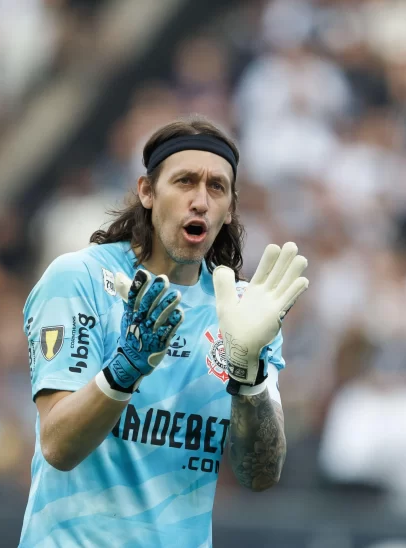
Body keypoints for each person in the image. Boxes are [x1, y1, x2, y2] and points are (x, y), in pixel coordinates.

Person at [19, 115, 309, 547]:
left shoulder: (245, 312)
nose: (200, 201)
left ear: (229, 209)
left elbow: (259, 475)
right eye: (185, 182)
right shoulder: (80, 279)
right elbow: (58, 446)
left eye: (216, 187)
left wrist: (249, 377)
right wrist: (126, 368)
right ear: (147, 192)